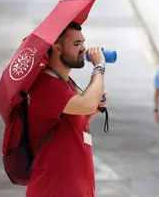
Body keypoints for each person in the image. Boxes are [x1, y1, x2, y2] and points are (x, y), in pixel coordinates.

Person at [25, 22, 108, 197]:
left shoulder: (65, 82)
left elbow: (71, 125)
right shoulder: (48, 86)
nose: (84, 49)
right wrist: (99, 66)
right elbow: (86, 103)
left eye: (83, 42)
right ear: (58, 48)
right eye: (76, 44)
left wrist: (94, 111)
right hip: (55, 190)